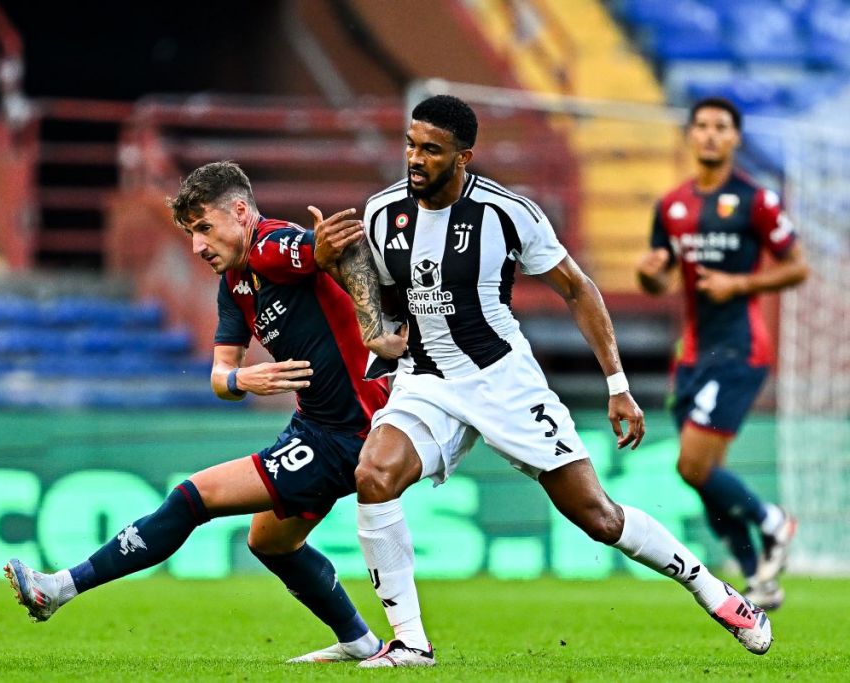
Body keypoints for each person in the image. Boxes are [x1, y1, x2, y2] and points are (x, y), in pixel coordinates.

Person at [314, 94, 773, 668]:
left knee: (597, 517)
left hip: (503, 380)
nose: (415, 158)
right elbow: (382, 304)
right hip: (426, 379)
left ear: (463, 156)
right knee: (374, 475)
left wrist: (617, 385)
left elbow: (578, 289)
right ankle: (410, 642)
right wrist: (336, 266)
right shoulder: (383, 213)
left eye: (431, 149)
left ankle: (713, 590)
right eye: (411, 144)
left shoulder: (509, 213)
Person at [4, 161, 406, 664]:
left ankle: (59, 588)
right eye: (191, 233)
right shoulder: (234, 285)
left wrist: (349, 288)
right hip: (315, 428)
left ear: (239, 212)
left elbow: (323, 251)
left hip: (349, 434)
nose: (197, 246)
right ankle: (360, 643)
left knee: (193, 497)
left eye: (204, 228)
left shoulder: (269, 245)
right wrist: (243, 379)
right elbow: (220, 377)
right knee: (270, 542)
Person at [637, 97, 808, 610]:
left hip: (740, 348)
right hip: (693, 354)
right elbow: (659, 279)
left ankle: (773, 522)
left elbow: (797, 266)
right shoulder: (672, 206)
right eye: (702, 126)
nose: (710, 134)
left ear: (735, 138)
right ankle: (758, 580)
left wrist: (740, 283)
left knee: (692, 465)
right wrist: (649, 274)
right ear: (690, 135)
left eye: (721, 127)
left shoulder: (756, 201)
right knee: (706, 476)